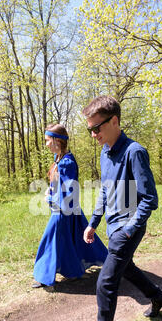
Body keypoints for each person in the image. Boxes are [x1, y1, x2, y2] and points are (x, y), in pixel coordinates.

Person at [72, 96, 162, 321]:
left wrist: (128, 230)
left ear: (114, 121)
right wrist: (93, 223)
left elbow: (150, 199)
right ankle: (158, 296)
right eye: (90, 129)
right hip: (114, 224)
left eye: (97, 128)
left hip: (128, 227)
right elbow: (106, 191)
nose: (93, 134)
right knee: (127, 268)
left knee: (105, 281)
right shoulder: (105, 152)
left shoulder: (134, 152)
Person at [33, 123, 108, 288]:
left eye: (47, 140)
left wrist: (52, 201)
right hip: (65, 208)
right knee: (72, 240)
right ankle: (75, 272)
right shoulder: (58, 158)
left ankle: (44, 276)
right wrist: (50, 192)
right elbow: (57, 184)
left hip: (63, 210)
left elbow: (69, 190)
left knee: (51, 240)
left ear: (57, 141)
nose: (46, 144)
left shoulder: (67, 163)